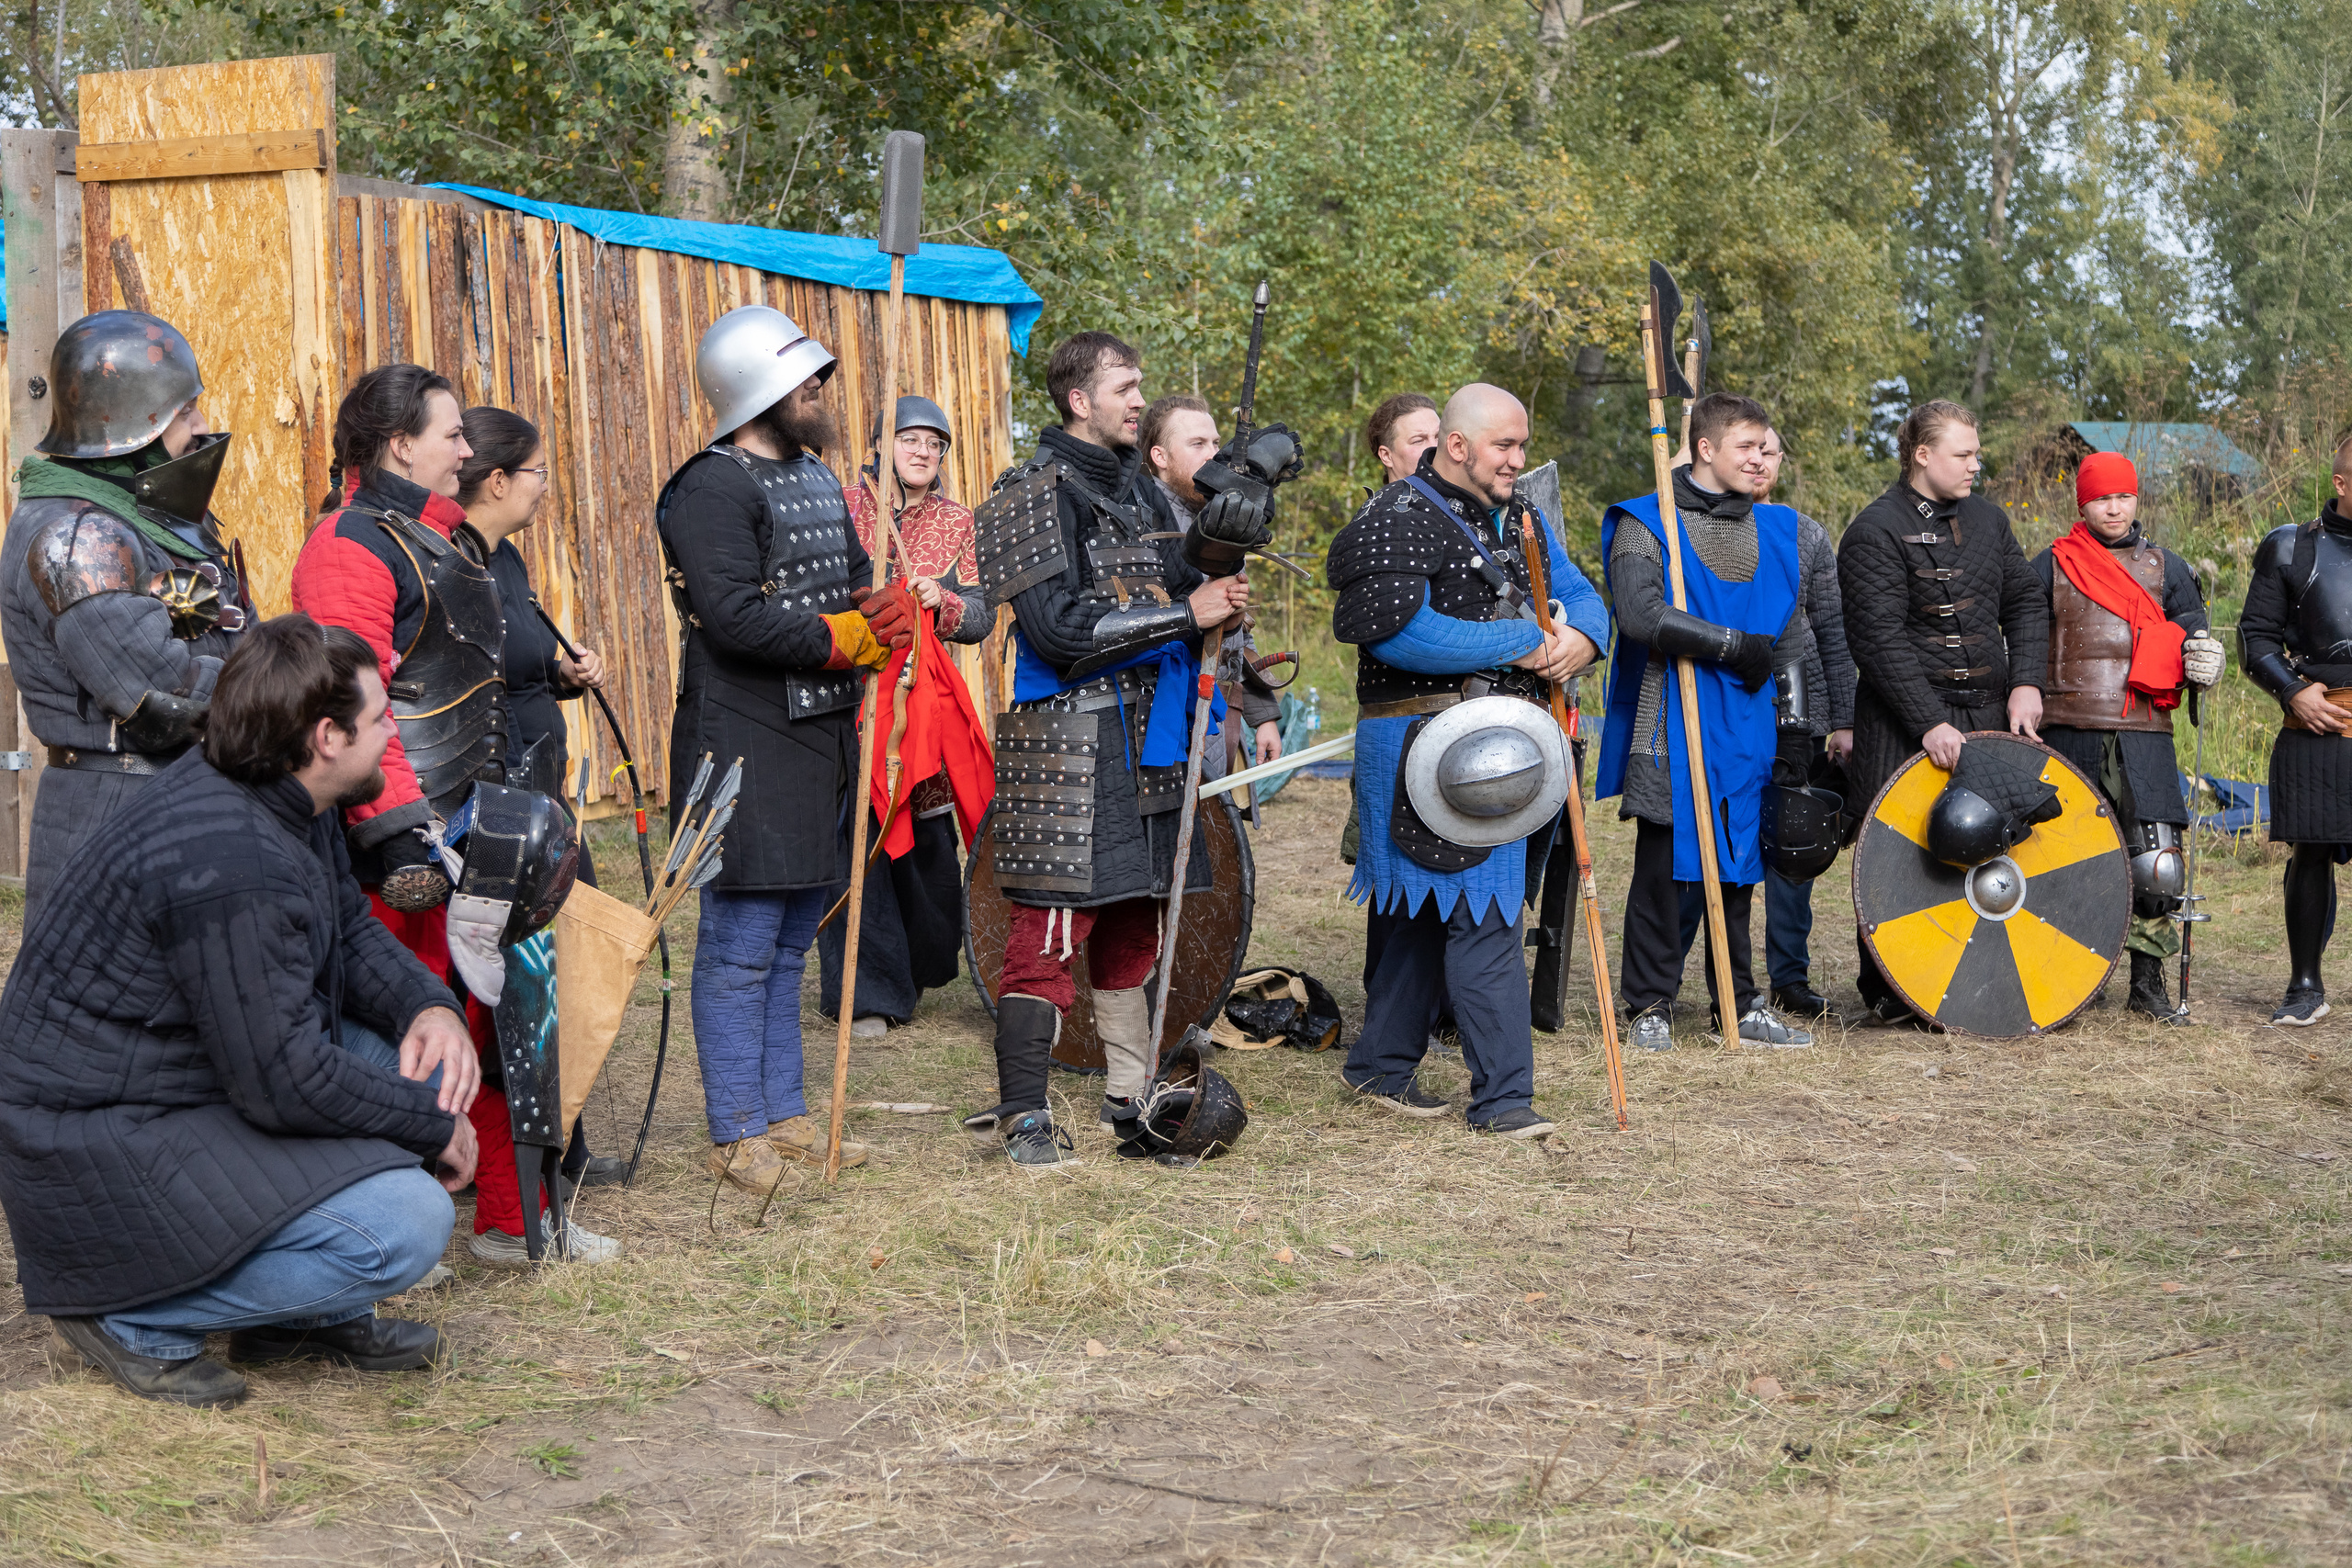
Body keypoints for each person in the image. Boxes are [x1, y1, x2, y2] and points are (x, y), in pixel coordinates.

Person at [0, 615, 480, 1409]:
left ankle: (297, 1315)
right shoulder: (231, 856)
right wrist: (427, 1123)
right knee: (409, 1220)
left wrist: (429, 1006)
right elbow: (280, 1080)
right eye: (380, 717)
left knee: (407, 1068)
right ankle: (132, 1313)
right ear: (327, 735)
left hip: (184, 1080)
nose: (392, 730)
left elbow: (348, 926)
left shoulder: (286, 796)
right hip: (96, 1133)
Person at [293, 367, 620, 1267]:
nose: (468, 450)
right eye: (450, 434)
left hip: (480, 827)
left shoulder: (446, 544)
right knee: (406, 1035)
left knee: (508, 1023)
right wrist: (398, 833)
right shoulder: (350, 546)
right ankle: (384, 1232)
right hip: (399, 849)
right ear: (401, 444)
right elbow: (355, 707)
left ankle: (517, 1221)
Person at [964, 330, 1264, 1165]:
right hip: (1070, 739)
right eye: (1126, 387)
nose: (1141, 400)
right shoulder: (1030, 494)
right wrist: (1187, 613)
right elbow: (1058, 631)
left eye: (1140, 386)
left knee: (1137, 921)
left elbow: (1169, 586)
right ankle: (1025, 1113)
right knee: (1050, 927)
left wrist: (1230, 531)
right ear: (1077, 399)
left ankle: (1128, 1094)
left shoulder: (1135, 494)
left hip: (1149, 737)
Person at [657, 304, 911, 1194]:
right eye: (804, 377)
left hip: (821, 736)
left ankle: (784, 1113)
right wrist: (843, 637)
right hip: (745, 738)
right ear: (755, 387)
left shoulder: (810, 475)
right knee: (739, 940)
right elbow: (731, 617)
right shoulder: (711, 486)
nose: (817, 389)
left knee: (795, 936)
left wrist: (879, 613)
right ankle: (735, 1128)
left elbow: (839, 588)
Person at [1327, 382, 1608, 1137]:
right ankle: (1504, 1100)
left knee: (1427, 914)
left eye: (1521, 444)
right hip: (1424, 742)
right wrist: (1522, 643)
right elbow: (1396, 634)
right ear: (1456, 445)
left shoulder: (1521, 518)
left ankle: (1379, 1066)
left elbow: (1583, 595)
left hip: (1499, 741)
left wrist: (1582, 639)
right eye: (1505, 446)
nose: (1519, 459)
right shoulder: (1396, 517)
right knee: (1482, 914)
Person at [0, 310, 247, 922]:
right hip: (118, 812)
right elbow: (163, 698)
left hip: (171, 803)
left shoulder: (137, 516)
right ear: (135, 418)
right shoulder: (76, 535)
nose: (202, 427)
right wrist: (290, 685)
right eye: (185, 411)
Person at [1600, 393, 1813, 1051]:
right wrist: (1728, 644)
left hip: (1748, 718)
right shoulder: (1648, 521)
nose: (1761, 458)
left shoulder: (1778, 529)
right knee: (1664, 865)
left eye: (1765, 446)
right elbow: (1640, 615)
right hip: (1674, 710)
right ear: (1705, 449)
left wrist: (1799, 726)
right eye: (1747, 446)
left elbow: (1791, 636)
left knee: (1740, 861)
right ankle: (1649, 1003)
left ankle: (1738, 1002)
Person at [456, 405, 626, 1190]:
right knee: (519, 979)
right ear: (495, 480)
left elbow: (521, 665)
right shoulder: (453, 564)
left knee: (563, 963)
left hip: (540, 789)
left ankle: (567, 1142)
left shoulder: (509, 561)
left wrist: (564, 674)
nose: (544, 487)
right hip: (493, 803)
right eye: (535, 473)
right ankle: (515, 1165)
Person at [1838, 400, 2048, 1024]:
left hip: (1986, 708)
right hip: (1902, 720)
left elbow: (2027, 603)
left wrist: (2027, 684)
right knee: (1898, 855)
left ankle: (1979, 981)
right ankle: (1893, 991)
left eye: (1976, 453)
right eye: (1963, 454)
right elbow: (1878, 640)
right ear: (1922, 455)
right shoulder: (1874, 530)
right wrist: (1929, 720)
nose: (1974, 466)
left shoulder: (1988, 520)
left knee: (1994, 843)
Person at [818, 395, 996, 1038]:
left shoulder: (960, 520)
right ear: (881, 444)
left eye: (934, 443)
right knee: (859, 839)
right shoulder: (840, 503)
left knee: (924, 842)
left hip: (923, 708)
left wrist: (941, 599)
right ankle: (865, 993)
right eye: (910, 439)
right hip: (853, 698)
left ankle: (916, 968)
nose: (923, 452)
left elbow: (980, 616)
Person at [2029, 453, 2222, 1022]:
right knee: (2063, 858)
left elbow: (2194, 637)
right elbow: (2023, 640)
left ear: (2137, 500)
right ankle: (2070, 975)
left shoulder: (2168, 567)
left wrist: (2203, 661)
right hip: (2067, 727)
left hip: (2142, 729)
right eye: (2101, 499)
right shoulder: (2051, 565)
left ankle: (2147, 980)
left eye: (2123, 497)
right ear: (2081, 504)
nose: (2113, 508)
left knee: (2157, 864)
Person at [2236, 433, 2352, 1026]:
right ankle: (2305, 985)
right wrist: (2292, 689)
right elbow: (2254, 637)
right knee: (2310, 852)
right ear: (2341, 482)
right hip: (2317, 722)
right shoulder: (2289, 548)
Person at [1141, 393, 1284, 770]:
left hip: (1217, 712)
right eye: (1197, 444)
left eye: (1217, 443)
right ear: (1160, 457)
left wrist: (1263, 716)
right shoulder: (1141, 520)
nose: (1214, 455)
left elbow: (1237, 624)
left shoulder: (1217, 514)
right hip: (1161, 716)